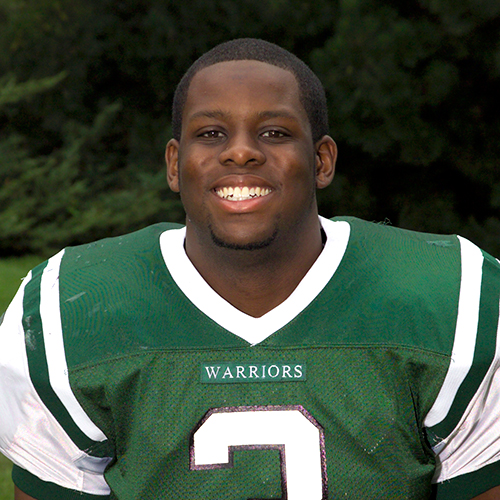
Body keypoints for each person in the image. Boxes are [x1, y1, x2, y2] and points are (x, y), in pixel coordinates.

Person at [1, 38, 499, 500]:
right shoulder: (72, 308)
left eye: (275, 132)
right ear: (175, 164)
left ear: (322, 160)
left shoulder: (451, 296)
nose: (241, 151)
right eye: (211, 132)